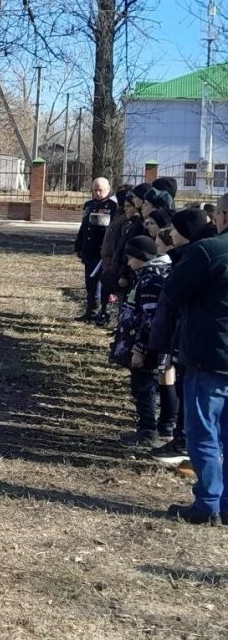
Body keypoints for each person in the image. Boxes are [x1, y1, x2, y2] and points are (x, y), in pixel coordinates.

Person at [161, 193, 228, 525]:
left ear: (222, 217)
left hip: (210, 356)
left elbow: (172, 291)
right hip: (213, 354)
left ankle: (208, 503)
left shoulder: (208, 252)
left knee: (204, 431)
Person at [109, 236, 173, 448]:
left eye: (130, 258)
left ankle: (148, 431)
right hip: (143, 345)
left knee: (144, 389)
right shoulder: (145, 276)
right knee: (142, 387)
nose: (128, 263)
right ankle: (149, 428)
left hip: (146, 350)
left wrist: (139, 349)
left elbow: (150, 319)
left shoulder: (150, 280)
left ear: (141, 257)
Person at [74, 177, 119, 322]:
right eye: (95, 190)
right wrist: (78, 245)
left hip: (102, 251)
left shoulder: (112, 207)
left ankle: (98, 312)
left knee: (99, 284)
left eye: (101, 190)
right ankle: (90, 310)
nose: (97, 193)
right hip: (89, 250)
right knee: (90, 282)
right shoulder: (88, 205)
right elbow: (84, 226)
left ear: (108, 189)